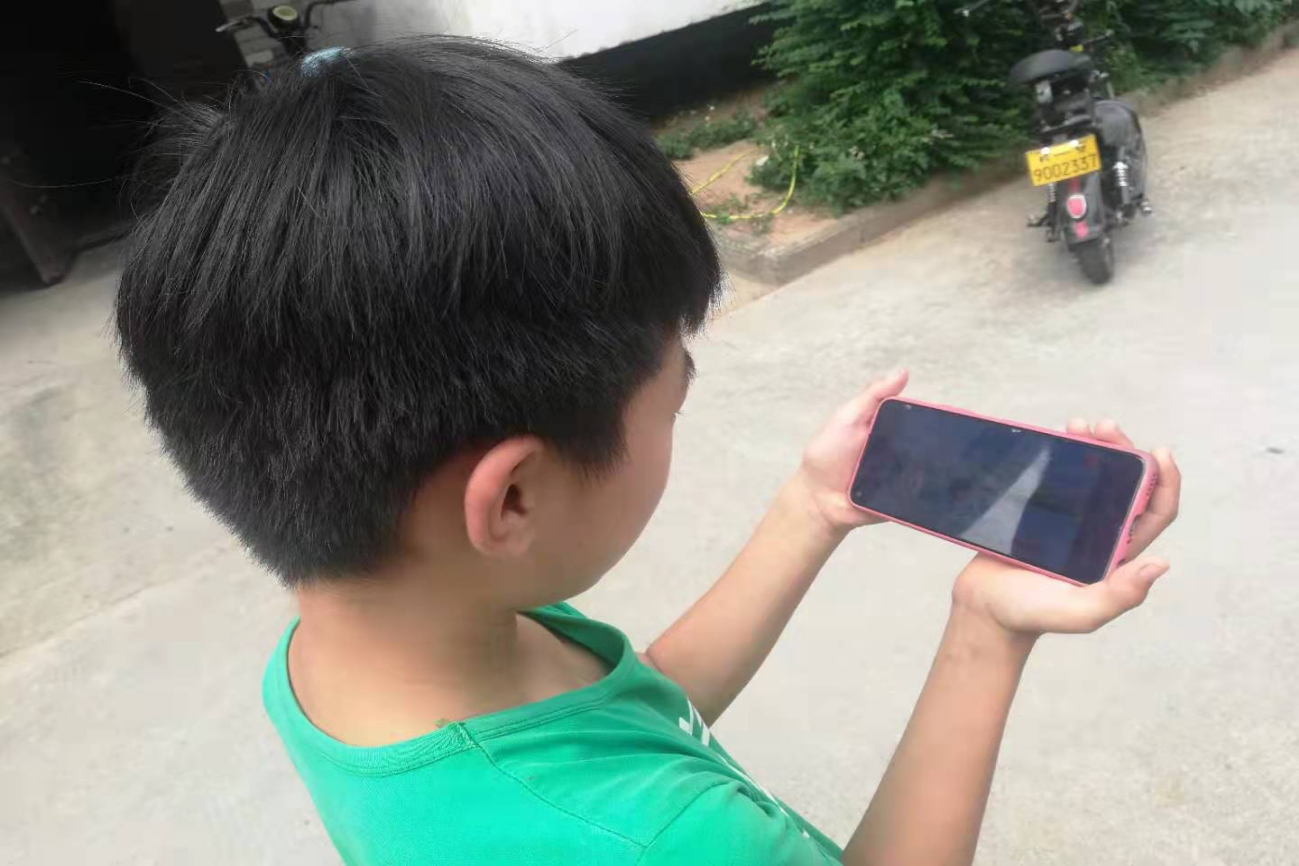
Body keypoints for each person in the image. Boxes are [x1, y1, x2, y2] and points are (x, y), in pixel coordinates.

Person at [114, 37, 1181, 865]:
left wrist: (812, 506)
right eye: (675, 392)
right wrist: (987, 628)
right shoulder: (666, 841)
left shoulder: (345, 650)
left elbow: (635, 708)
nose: (681, 409)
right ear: (513, 499)